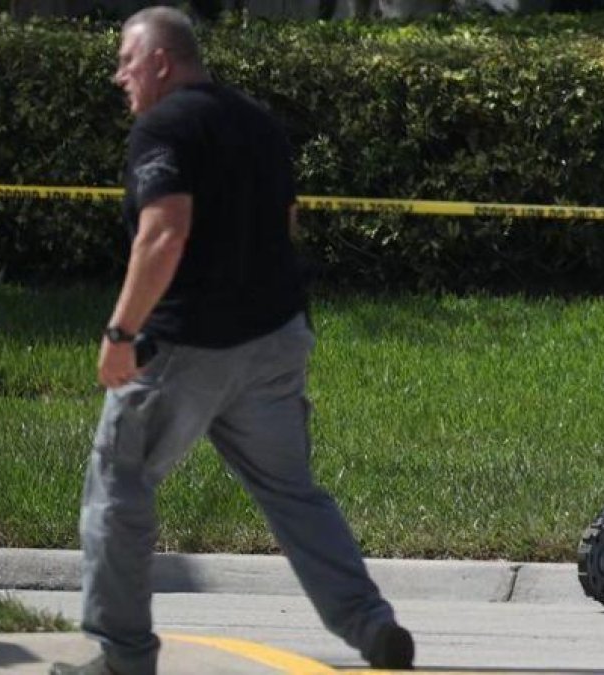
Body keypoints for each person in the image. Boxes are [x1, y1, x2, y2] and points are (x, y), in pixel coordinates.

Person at [52, 7, 413, 674]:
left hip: (186, 346)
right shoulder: (259, 123)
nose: (118, 77)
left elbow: (165, 231)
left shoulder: (163, 126)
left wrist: (120, 332)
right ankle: (372, 624)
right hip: (275, 341)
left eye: (127, 61)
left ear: (161, 60)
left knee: (118, 485)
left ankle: (123, 654)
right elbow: (288, 224)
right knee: (294, 493)